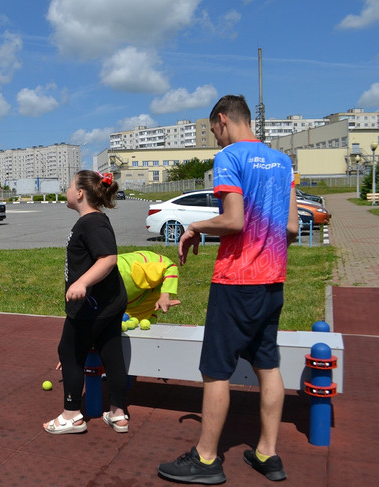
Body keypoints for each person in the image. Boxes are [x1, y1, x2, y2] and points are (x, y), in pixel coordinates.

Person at [157, 95, 299, 484]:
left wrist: (195, 227)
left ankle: (205, 460)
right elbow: (290, 228)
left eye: (214, 130)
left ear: (222, 120)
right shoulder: (283, 162)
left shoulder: (230, 157)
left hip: (238, 281)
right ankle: (268, 454)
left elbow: (234, 220)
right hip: (273, 280)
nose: (216, 138)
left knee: (216, 370)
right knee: (267, 364)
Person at [43, 170, 129, 435]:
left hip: (92, 306)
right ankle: (118, 413)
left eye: (70, 186)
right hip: (108, 303)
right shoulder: (95, 220)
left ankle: (72, 415)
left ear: (80, 193)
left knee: (69, 353)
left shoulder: (91, 222)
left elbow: (108, 258)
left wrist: (82, 283)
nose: (67, 190)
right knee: (112, 354)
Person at [117, 250, 180, 323]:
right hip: (134, 298)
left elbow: (169, 267)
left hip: (152, 275)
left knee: (144, 324)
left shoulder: (132, 271)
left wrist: (165, 296)